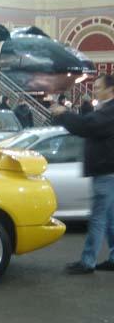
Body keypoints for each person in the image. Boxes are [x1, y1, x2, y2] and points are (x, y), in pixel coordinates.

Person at [51, 73, 114, 274]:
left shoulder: (110, 111)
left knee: (97, 219)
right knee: (110, 220)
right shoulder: (105, 110)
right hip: (107, 172)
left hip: (106, 173)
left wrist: (64, 114)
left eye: (98, 87)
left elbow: (86, 126)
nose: (94, 91)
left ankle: (87, 262)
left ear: (110, 89)